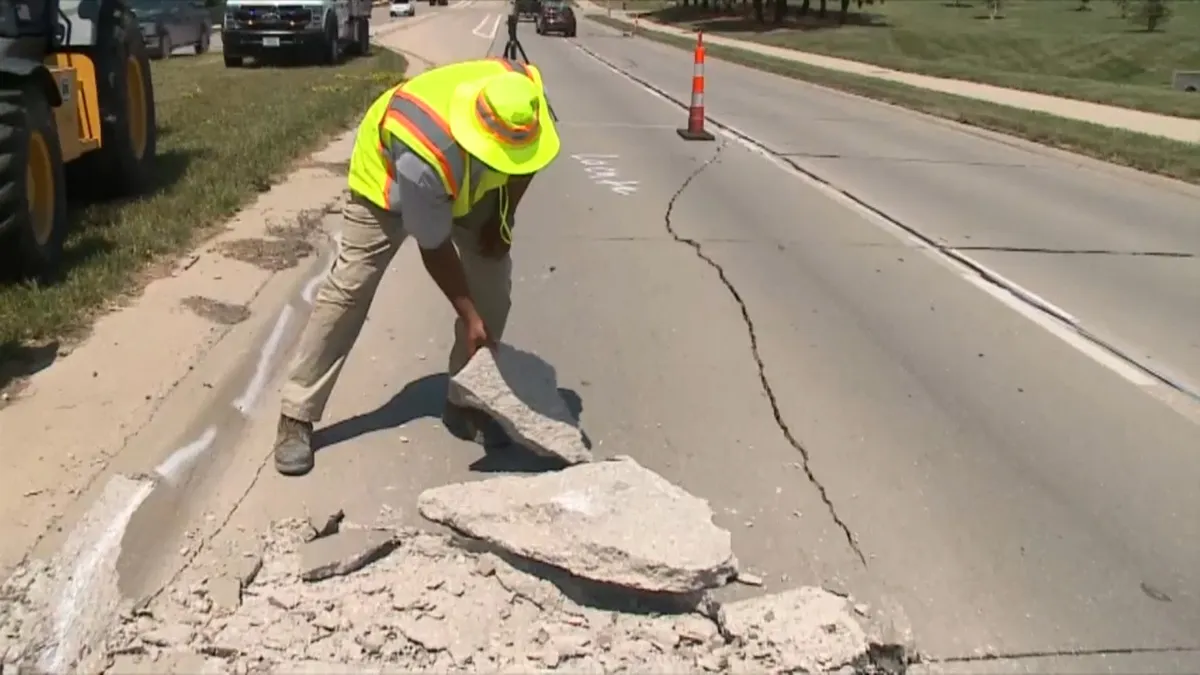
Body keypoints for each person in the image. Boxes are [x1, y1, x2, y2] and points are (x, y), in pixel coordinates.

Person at [271, 57, 560, 476]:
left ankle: (464, 400)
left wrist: (505, 214)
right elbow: (433, 244)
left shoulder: (526, 102)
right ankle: (297, 413)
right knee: (350, 288)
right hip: (386, 181)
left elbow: (529, 162)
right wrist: (468, 314)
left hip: (471, 184)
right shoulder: (425, 156)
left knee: (494, 290)